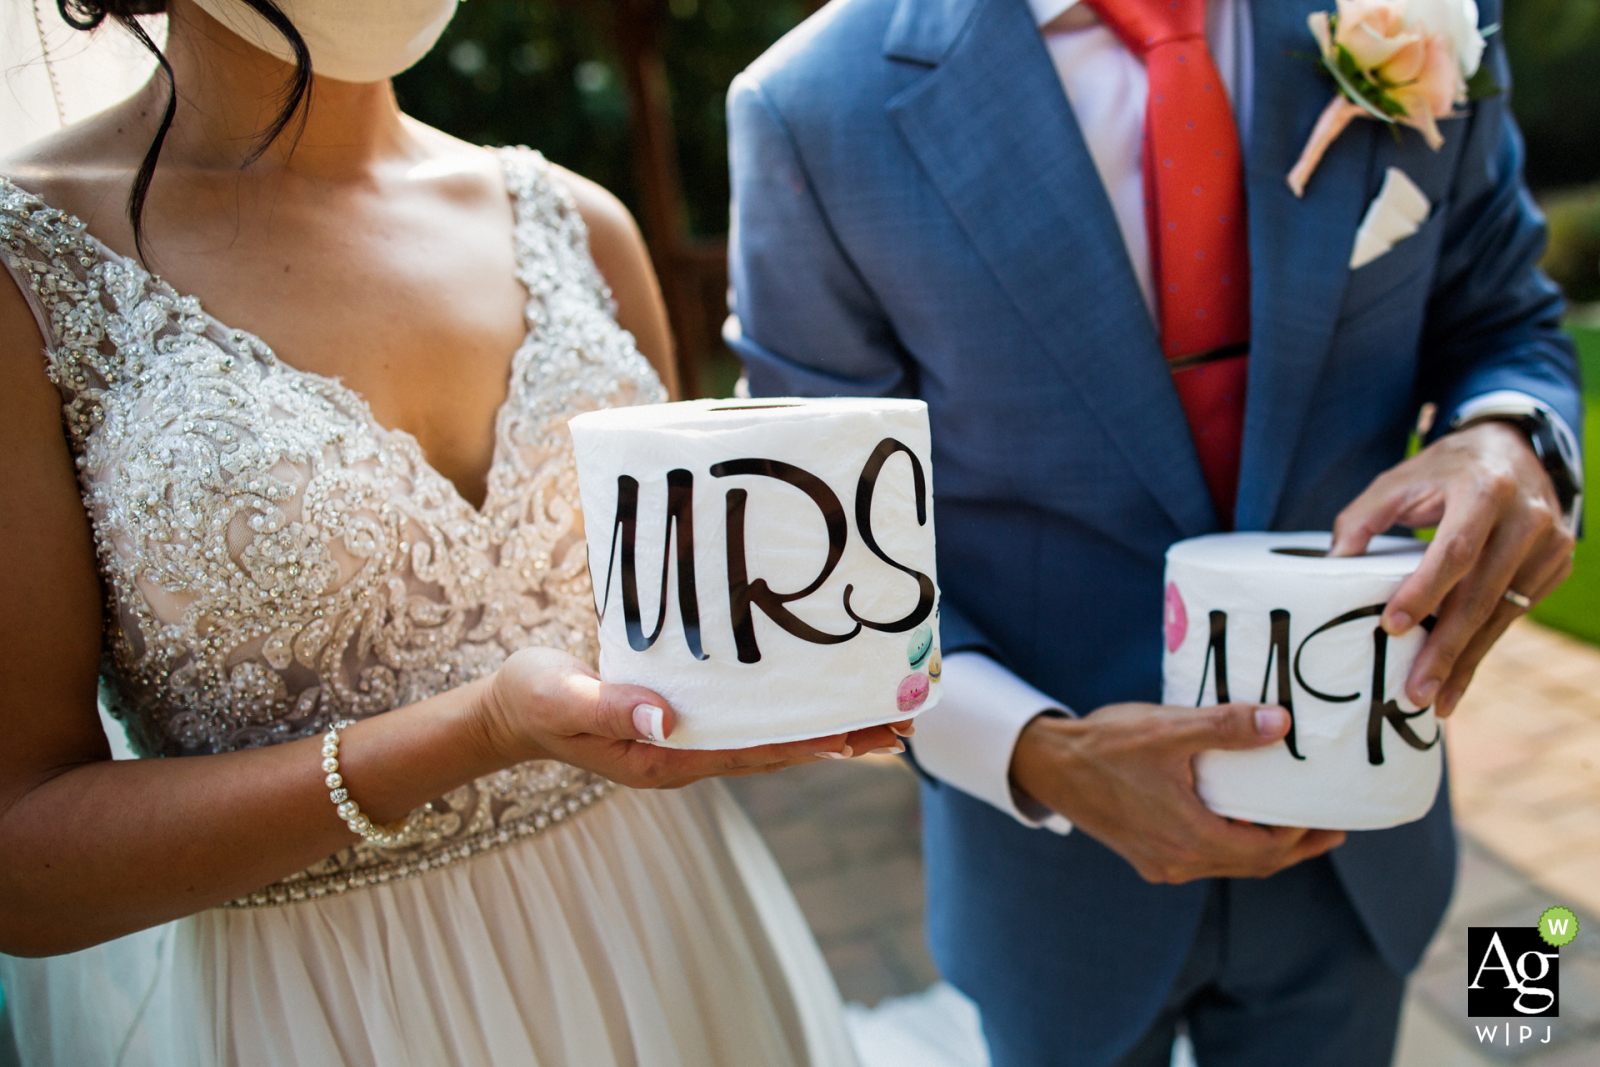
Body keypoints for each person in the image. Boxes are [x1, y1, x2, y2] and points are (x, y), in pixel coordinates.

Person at [0, 1, 910, 1063]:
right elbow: (24, 865)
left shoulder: (578, 224)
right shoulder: (32, 266)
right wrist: (474, 731)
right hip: (329, 1009)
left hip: (668, 931)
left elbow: (672, 632)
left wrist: (764, 677)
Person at [725, 0, 1581, 1064]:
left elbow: (1502, 320)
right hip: (1056, 880)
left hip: (1357, 841)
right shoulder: (812, 103)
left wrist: (1509, 437)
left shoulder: (1417, 11)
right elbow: (821, 557)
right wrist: (1034, 750)